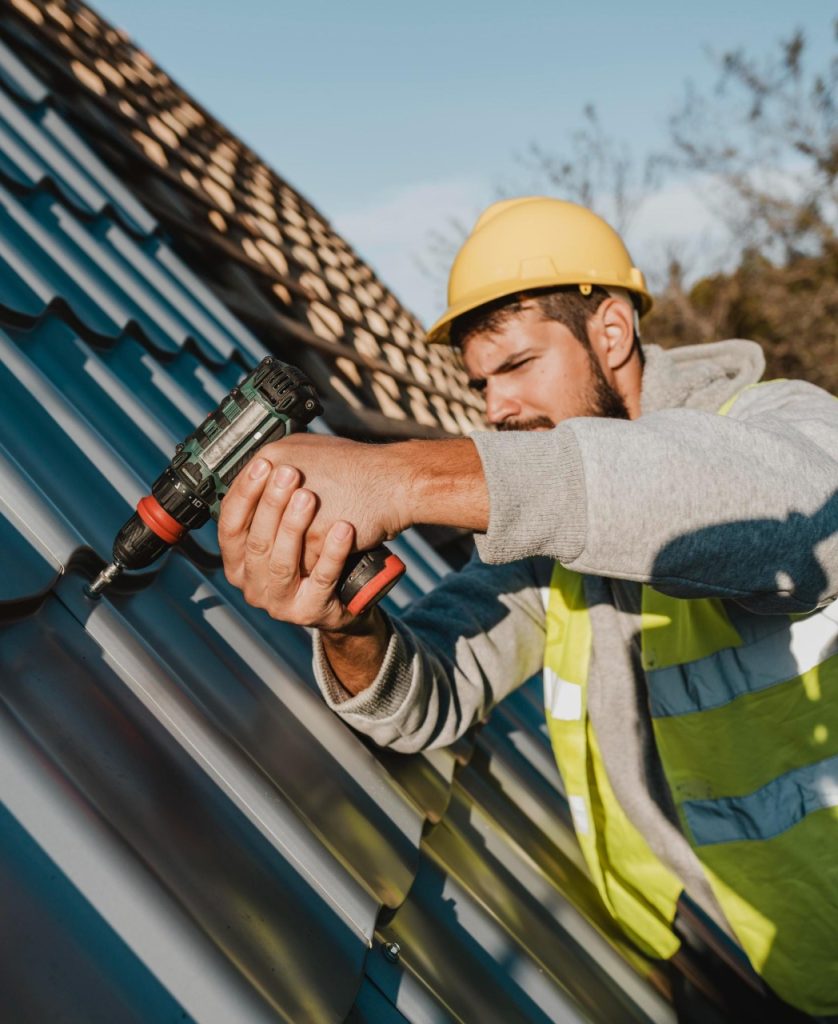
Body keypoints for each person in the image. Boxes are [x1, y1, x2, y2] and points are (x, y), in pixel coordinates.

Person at [217, 197, 838, 1018]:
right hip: (724, 954)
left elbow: (793, 519)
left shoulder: (781, 423)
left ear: (610, 333)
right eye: (480, 382)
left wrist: (407, 477)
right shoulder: (552, 545)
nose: (495, 408)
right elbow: (425, 700)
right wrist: (347, 622)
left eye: (515, 366)